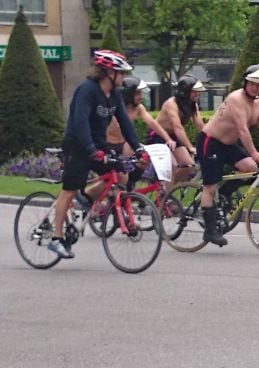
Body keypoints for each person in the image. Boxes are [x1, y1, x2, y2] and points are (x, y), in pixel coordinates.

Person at [49, 50, 146, 259]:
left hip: (99, 143)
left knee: (121, 173)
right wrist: (92, 151)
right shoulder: (87, 90)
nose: (123, 77)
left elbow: (125, 123)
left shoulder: (115, 95)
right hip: (78, 144)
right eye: (121, 72)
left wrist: (138, 147)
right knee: (70, 188)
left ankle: (87, 198)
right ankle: (56, 238)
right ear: (108, 72)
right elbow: (80, 123)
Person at [196, 64, 259, 246]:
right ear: (245, 82)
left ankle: (225, 194)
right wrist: (253, 152)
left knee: (251, 167)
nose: (255, 87)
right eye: (252, 83)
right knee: (210, 187)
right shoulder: (236, 98)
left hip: (228, 145)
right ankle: (210, 231)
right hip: (210, 142)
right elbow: (242, 130)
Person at [105, 76, 177, 186]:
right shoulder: (115, 108)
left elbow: (153, 123)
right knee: (110, 181)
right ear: (128, 94)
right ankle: (86, 199)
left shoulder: (138, 107)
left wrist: (168, 139)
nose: (141, 96)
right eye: (137, 93)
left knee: (143, 159)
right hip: (108, 144)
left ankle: (131, 186)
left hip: (124, 144)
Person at [148, 74, 206, 185]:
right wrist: (190, 147)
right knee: (172, 166)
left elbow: (200, 125)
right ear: (185, 92)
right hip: (157, 136)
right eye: (194, 91)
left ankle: (167, 188)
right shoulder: (171, 104)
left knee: (188, 165)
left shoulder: (193, 105)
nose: (197, 94)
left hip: (173, 137)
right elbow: (178, 128)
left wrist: (210, 139)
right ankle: (168, 198)